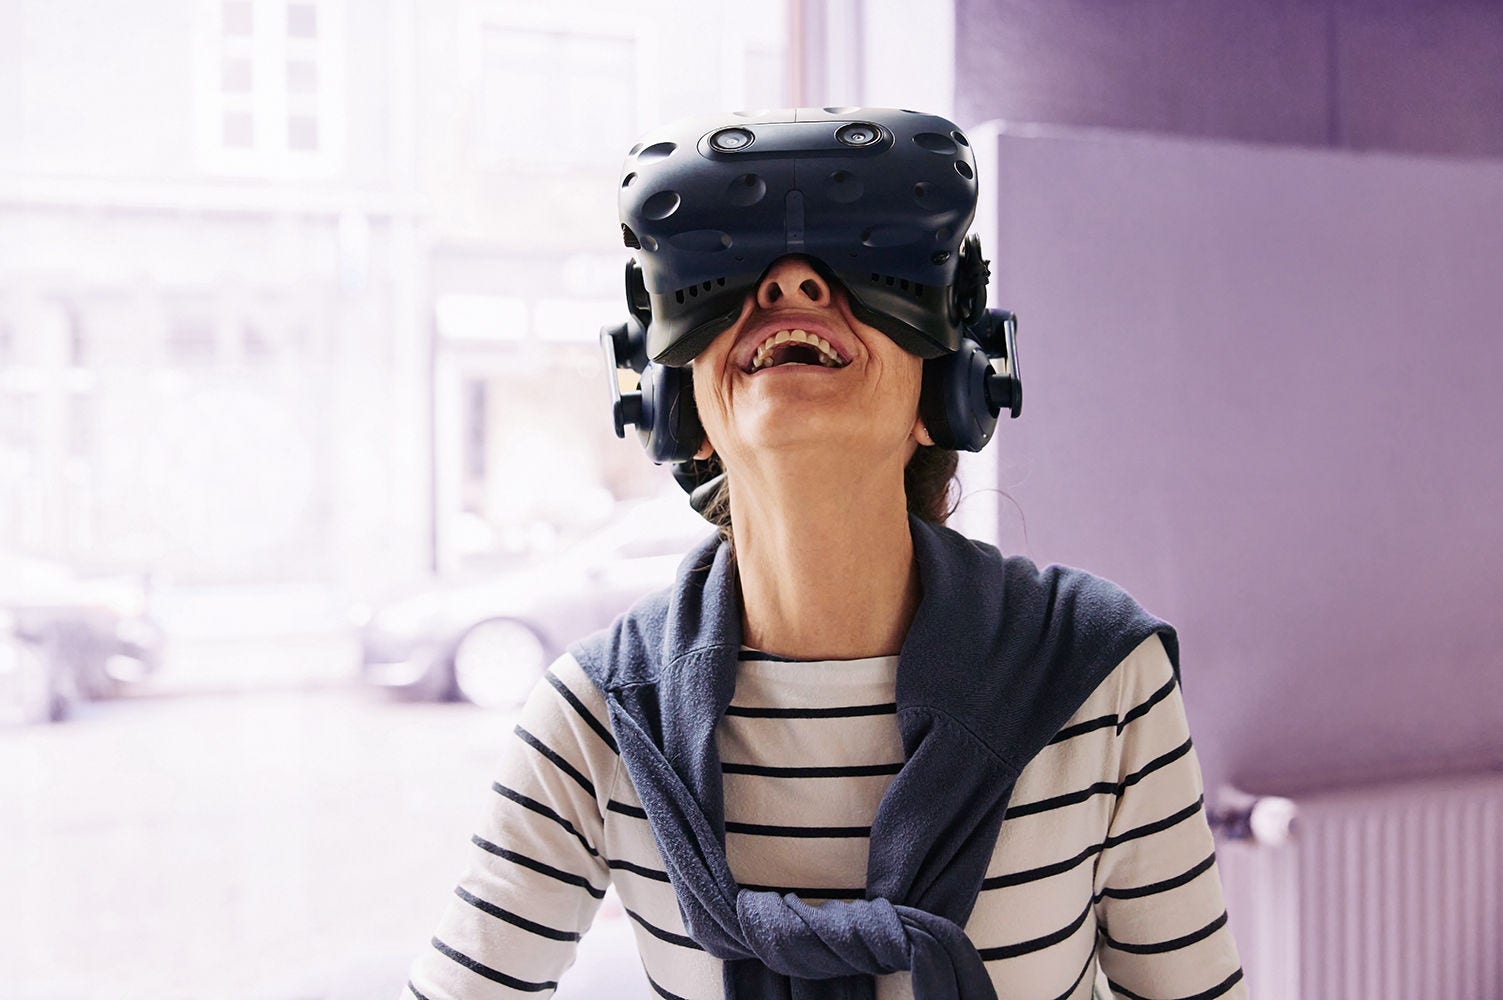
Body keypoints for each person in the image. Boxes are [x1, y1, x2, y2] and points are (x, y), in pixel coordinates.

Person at [403, 108, 1246, 1000]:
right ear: (673, 407)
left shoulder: (1095, 675)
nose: (795, 285)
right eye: (728, 271)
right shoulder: (600, 720)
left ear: (949, 389)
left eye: (864, 256)